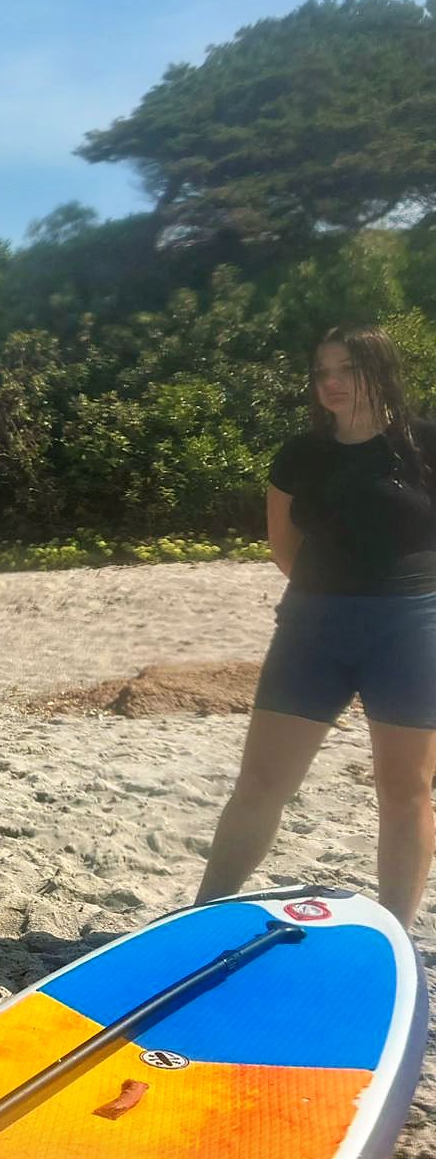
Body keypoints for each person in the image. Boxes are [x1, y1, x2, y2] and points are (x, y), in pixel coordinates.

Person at [197, 324, 436, 925]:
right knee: (260, 782)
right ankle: (201, 915)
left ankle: (396, 934)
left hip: (408, 630)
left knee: (405, 791)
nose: (329, 382)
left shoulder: (425, 446)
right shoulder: (299, 455)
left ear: (379, 369)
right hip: (312, 630)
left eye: (345, 369)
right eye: (321, 370)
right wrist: (328, 598)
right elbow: (283, 546)